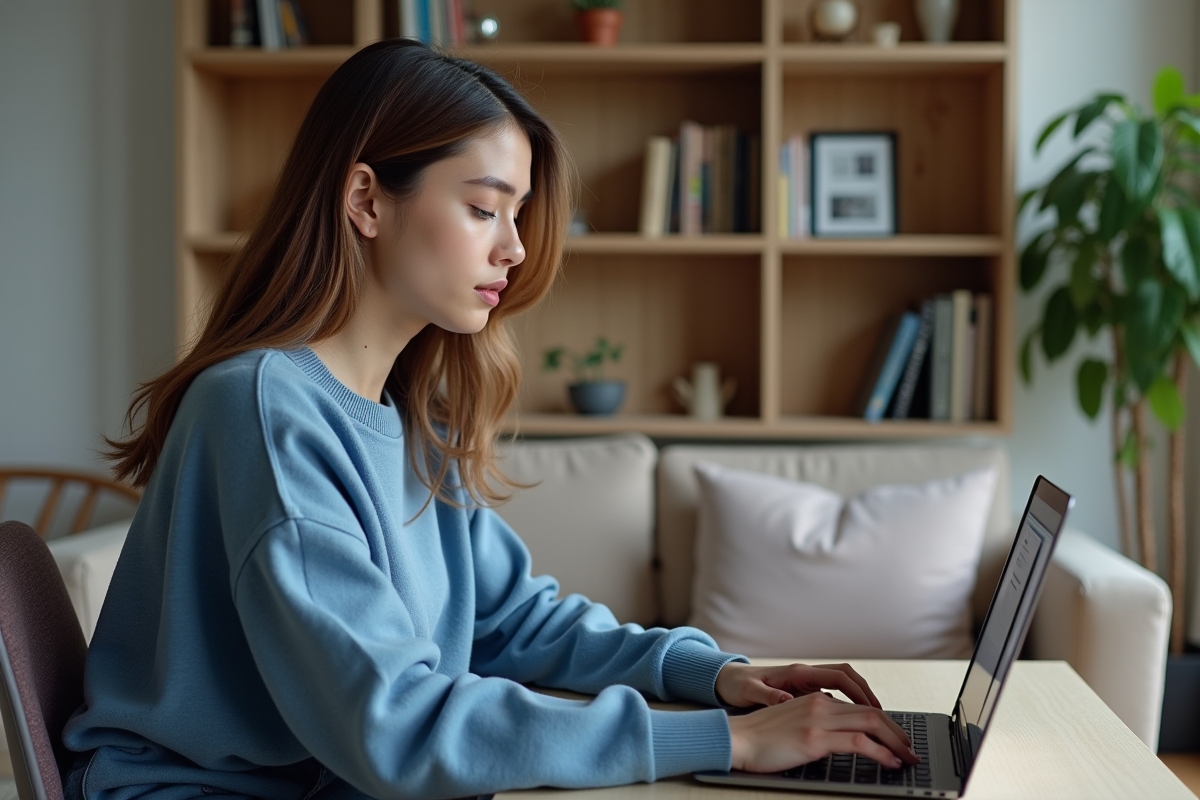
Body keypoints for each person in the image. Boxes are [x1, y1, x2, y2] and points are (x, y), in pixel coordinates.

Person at [62, 39, 918, 800]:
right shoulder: (262, 410)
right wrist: (726, 743)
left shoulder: (405, 410)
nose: (512, 247)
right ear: (366, 199)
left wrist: (716, 677)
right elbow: (393, 727)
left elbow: (510, 620)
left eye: (516, 214)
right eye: (483, 208)